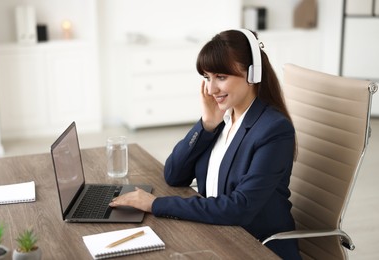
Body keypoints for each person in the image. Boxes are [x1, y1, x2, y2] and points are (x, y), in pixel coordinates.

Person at [109, 29, 301, 259]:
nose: (211, 90)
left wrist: (155, 204)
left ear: (253, 74)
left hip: (256, 247)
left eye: (221, 77)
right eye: (207, 78)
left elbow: (240, 207)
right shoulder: (223, 118)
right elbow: (174, 174)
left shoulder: (273, 130)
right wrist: (207, 125)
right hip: (216, 233)